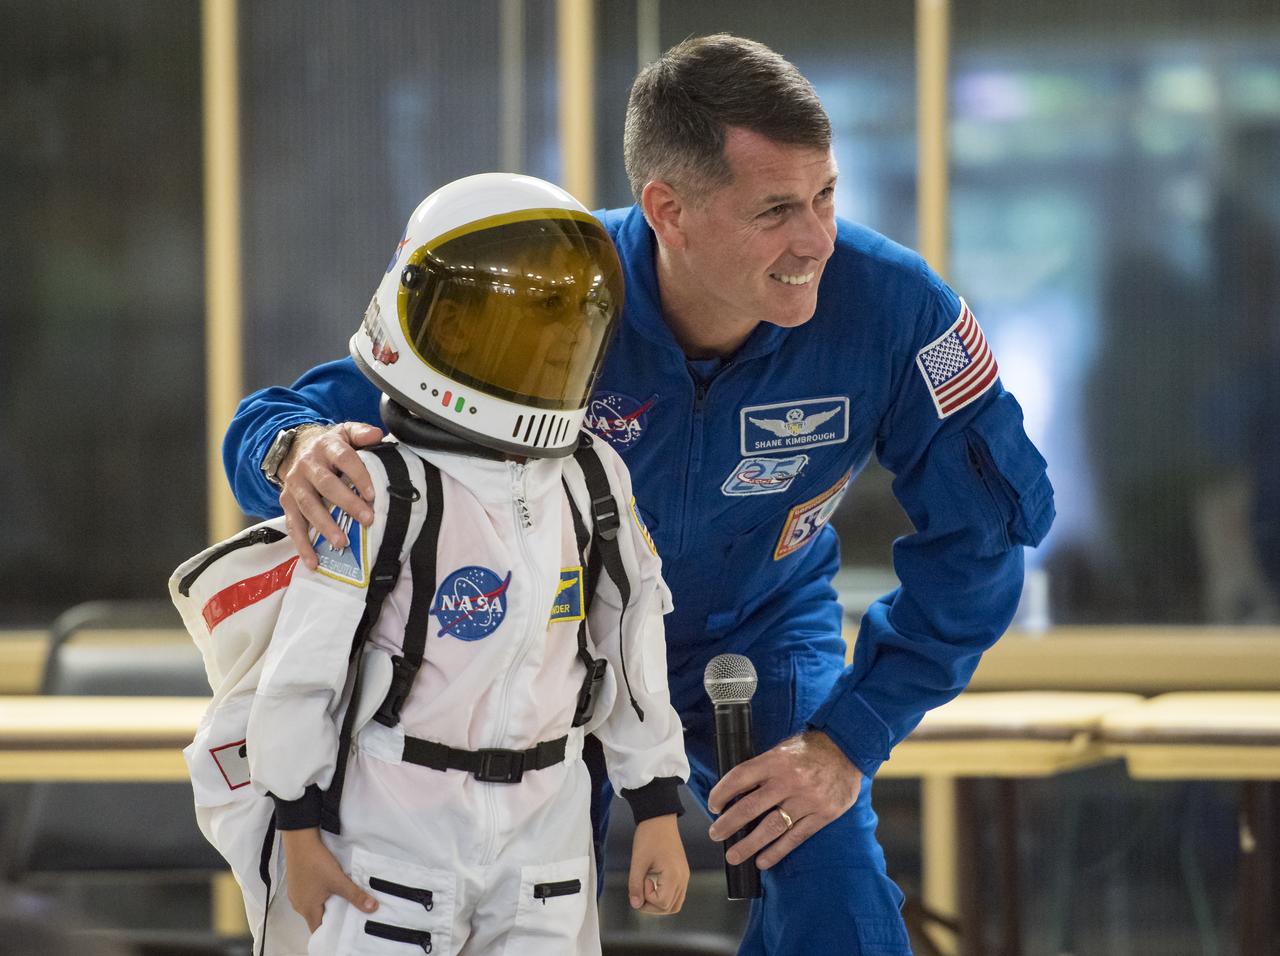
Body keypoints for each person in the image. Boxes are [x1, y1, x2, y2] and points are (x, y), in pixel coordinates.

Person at [225, 34, 1054, 956]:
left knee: (840, 902)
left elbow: (986, 534)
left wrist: (850, 738)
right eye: (776, 209)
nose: (816, 239)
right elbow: (301, 415)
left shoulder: (896, 307)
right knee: (528, 914)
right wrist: (291, 450)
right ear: (669, 209)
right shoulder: (552, 291)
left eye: (826, 196)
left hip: (757, 635)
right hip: (544, 651)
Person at [244, 173, 690, 955]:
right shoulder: (375, 483)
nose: (545, 349)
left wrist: (654, 802)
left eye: (562, 330)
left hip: (547, 839)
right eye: (514, 327)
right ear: (436, 321)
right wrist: (298, 825)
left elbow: (632, 642)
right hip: (390, 833)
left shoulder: (592, 479)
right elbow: (303, 670)